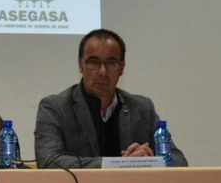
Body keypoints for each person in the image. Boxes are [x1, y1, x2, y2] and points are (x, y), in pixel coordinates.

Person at [34, 29, 188, 169]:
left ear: (122, 68)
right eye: (93, 62)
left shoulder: (142, 108)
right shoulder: (55, 107)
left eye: (111, 63)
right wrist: (117, 164)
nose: (102, 72)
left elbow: (179, 161)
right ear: (80, 65)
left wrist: (150, 160)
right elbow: (48, 161)